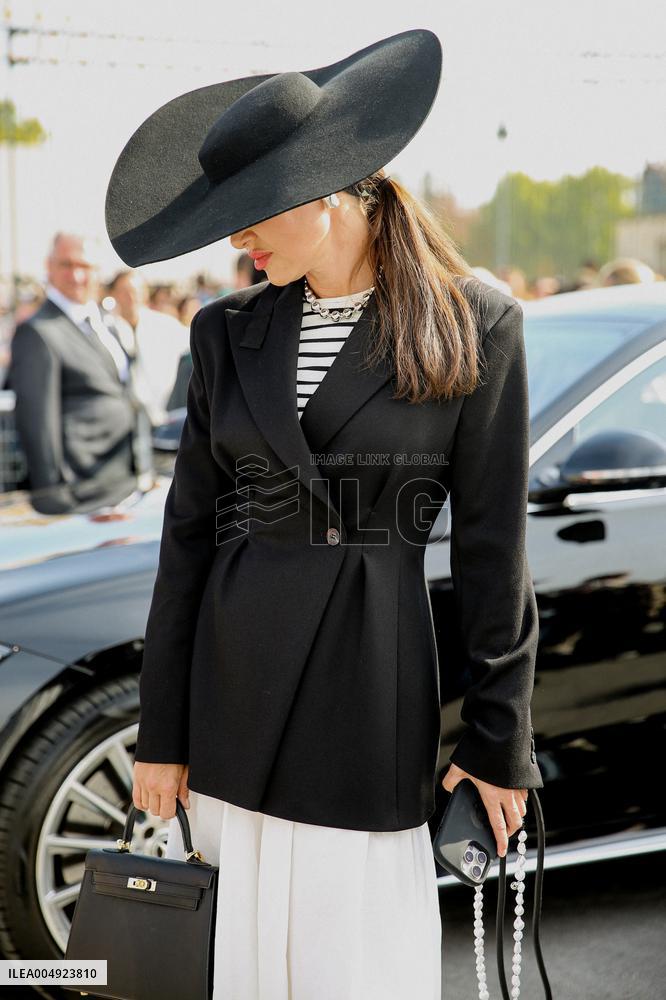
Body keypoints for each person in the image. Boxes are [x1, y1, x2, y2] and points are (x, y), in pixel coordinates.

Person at [105, 28, 542, 1000]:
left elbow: (492, 553)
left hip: (368, 686)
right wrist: (160, 732)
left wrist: (497, 745)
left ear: (320, 196)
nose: (235, 242)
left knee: (352, 963)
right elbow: (188, 540)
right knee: (241, 960)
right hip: (230, 693)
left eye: (249, 217)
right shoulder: (225, 331)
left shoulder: (476, 323)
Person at [6, 232, 154, 514]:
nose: (76, 276)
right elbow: (38, 428)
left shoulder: (105, 323)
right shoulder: (37, 332)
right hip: (79, 496)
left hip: (121, 484)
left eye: (84, 267)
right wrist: (56, 501)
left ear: (97, 271)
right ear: (49, 267)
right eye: (66, 265)